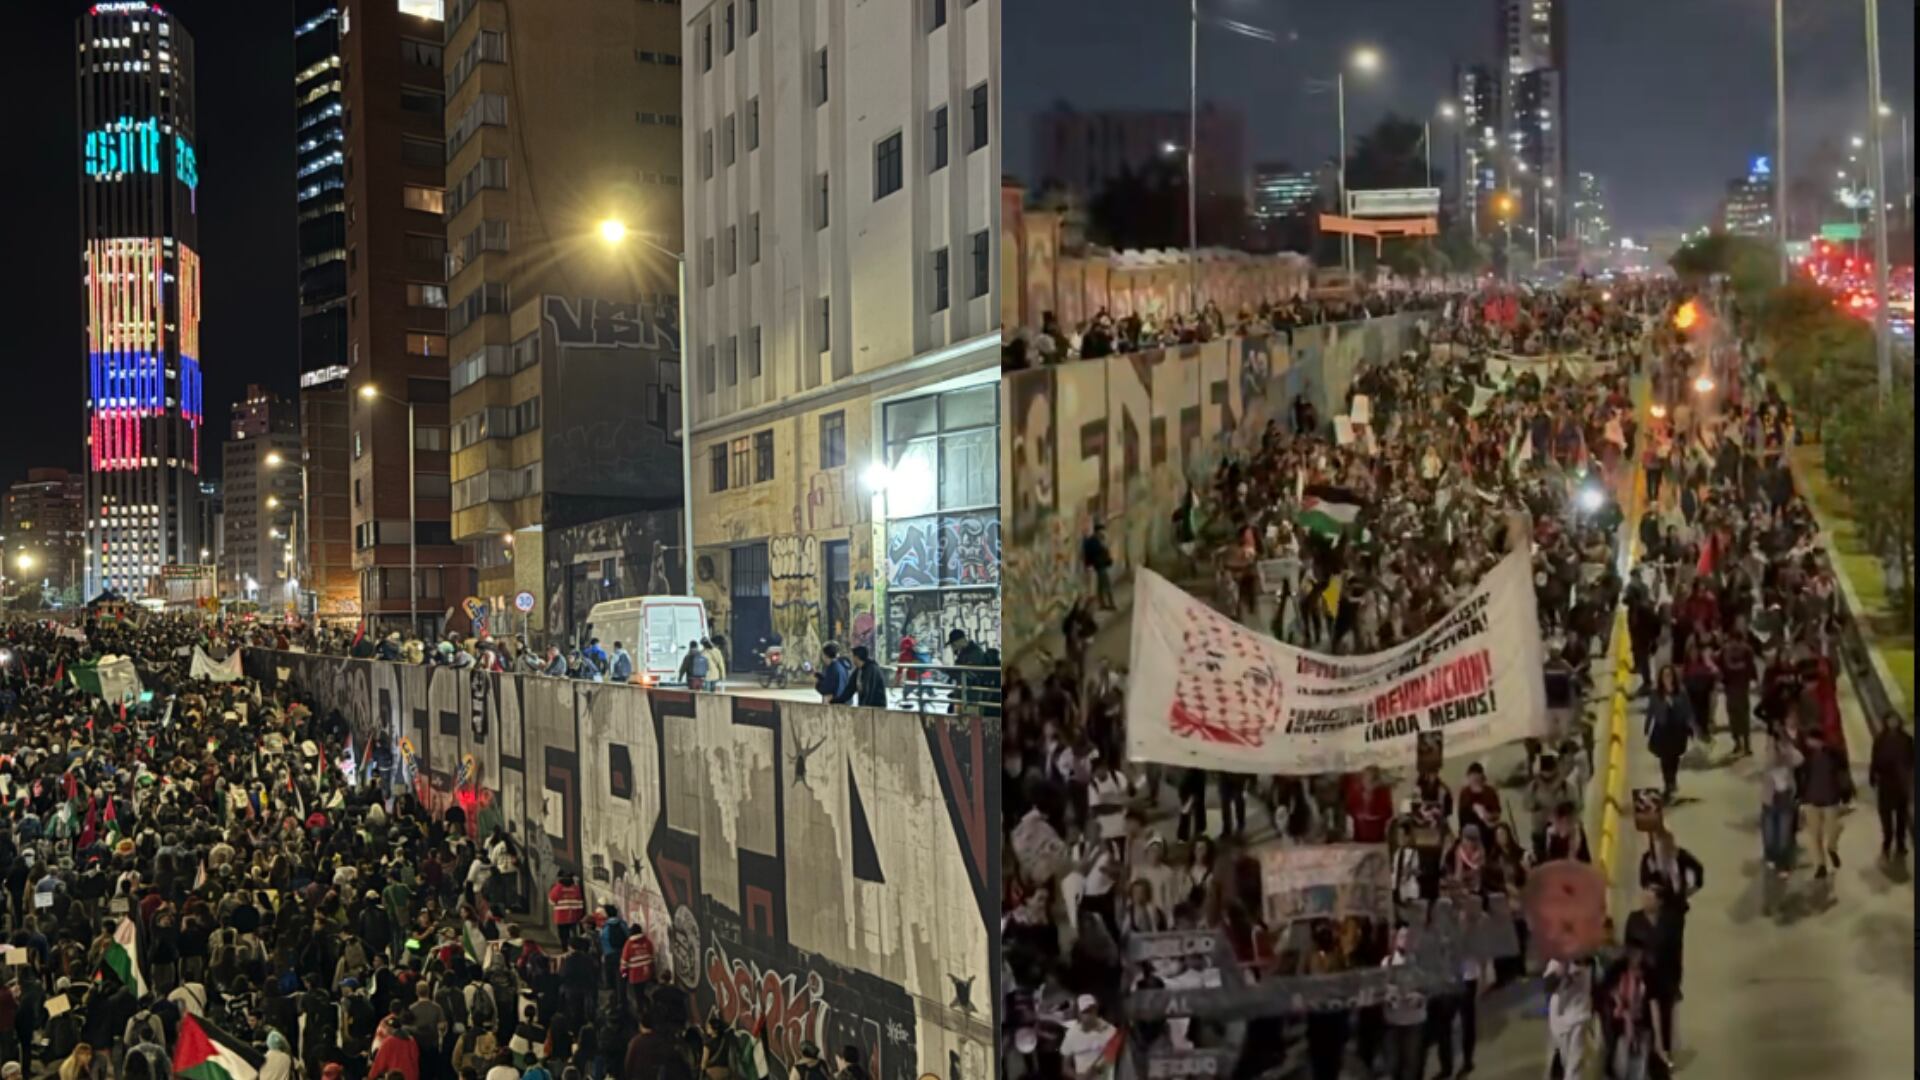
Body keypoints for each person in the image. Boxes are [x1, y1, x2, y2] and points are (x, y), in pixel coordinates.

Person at [1799, 727, 1848, 881]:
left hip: (1830, 799)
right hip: (1811, 799)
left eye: (1810, 739)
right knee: (1815, 835)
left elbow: (1843, 763)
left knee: (1834, 828)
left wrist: (1829, 746)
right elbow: (1800, 775)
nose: (1808, 742)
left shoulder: (1832, 754)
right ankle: (1820, 865)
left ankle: (1832, 848)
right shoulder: (1806, 756)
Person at [1644, 666, 1694, 800]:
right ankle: (1668, 783)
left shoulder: (1681, 692)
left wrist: (1691, 726)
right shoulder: (1656, 693)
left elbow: (1687, 710)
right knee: (1664, 758)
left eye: (1669, 675)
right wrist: (1647, 726)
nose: (1667, 678)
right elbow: (1651, 710)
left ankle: (1672, 779)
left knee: (1675, 757)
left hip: (1678, 729)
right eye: (1665, 676)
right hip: (1662, 729)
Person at [1057, 996, 1117, 1080]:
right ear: (1078, 1014)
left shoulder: (1111, 1031)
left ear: (1096, 1010)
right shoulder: (1071, 1034)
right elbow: (1065, 1068)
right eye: (1085, 1011)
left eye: (1091, 1010)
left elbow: (1117, 1059)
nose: (1089, 1015)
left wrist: (1098, 1069)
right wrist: (1077, 1076)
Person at [1082, 523, 1117, 611]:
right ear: (1098, 531)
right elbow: (1097, 553)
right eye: (1101, 531)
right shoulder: (1094, 541)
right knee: (1107, 585)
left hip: (1100, 565)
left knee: (1101, 586)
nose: (1103, 532)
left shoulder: (1098, 540)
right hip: (1100, 565)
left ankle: (1102, 604)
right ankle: (1111, 604)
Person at [547, 871, 585, 948]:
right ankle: (574, 948)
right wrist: (580, 916)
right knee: (575, 935)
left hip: (561, 917)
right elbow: (580, 903)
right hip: (574, 916)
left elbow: (551, 901)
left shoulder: (558, 888)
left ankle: (565, 949)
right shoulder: (576, 888)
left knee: (563, 935)